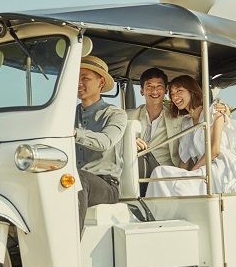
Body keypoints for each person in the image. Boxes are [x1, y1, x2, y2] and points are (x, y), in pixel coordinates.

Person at [146, 75, 236, 197]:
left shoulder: (214, 112)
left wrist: (191, 173)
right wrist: (181, 175)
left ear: (192, 91)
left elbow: (214, 151)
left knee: (172, 180)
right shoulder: (187, 123)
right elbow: (184, 159)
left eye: (179, 91)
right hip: (200, 169)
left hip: (220, 168)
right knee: (159, 174)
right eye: (172, 94)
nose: (175, 97)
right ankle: (154, 213)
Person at [74, 55, 128, 224]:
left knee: (78, 180)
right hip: (73, 178)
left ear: (101, 82)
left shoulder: (116, 114)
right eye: (76, 78)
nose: (79, 83)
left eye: (85, 78)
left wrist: (75, 133)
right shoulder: (67, 114)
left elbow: (105, 141)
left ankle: (69, 247)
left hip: (106, 185)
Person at [126, 68, 184, 195]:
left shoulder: (178, 115)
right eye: (149, 86)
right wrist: (129, 142)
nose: (154, 91)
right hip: (134, 167)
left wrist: (222, 109)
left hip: (163, 170)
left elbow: (198, 112)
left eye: (159, 86)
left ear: (166, 90)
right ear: (142, 91)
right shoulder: (129, 116)